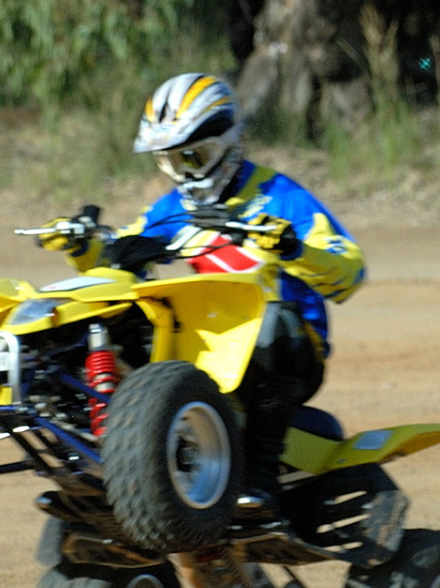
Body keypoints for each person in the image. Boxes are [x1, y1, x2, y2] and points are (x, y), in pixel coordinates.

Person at [36, 73, 365, 514]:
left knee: (273, 322)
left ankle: (261, 475)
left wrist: (294, 248)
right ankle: (104, 453)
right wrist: (84, 248)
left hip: (288, 348)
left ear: (227, 144)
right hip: (206, 345)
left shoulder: (281, 197)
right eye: (169, 161)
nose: (183, 172)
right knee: (114, 316)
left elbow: (350, 270)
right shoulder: (172, 208)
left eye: (193, 156)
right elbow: (119, 263)